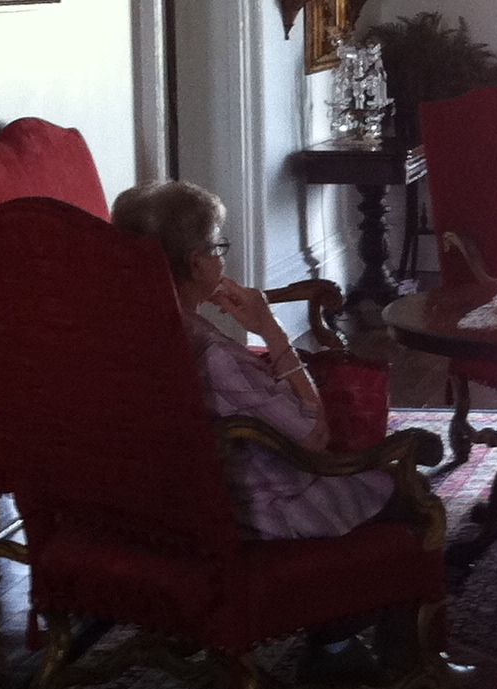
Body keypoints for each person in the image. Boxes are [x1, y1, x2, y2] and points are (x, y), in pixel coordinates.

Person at [109, 179, 394, 540]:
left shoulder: (120, 330)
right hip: (264, 513)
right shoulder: (214, 355)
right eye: (218, 246)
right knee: (400, 487)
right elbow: (314, 437)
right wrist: (271, 330)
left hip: (155, 511)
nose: (222, 257)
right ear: (196, 264)